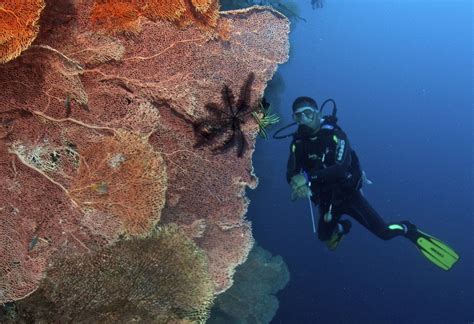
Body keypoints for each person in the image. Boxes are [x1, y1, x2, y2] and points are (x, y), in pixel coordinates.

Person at [285, 96, 459, 271]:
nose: (304, 119)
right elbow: (291, 173)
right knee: (323, 237)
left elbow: (340, 167)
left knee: (385, 233)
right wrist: (296, 185)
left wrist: (307, 178)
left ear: (318, 113)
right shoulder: (298, 143)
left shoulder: (336, 135)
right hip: (325, 199)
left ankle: (407, 228)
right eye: (298, 116)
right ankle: (343, 227)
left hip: (348, 195)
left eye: (307, 113)